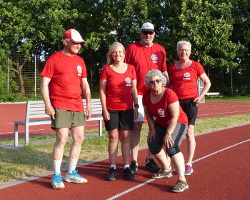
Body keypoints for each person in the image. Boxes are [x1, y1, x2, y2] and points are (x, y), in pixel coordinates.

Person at [40, 29, 92, 189]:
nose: (78, 45)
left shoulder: (80, 61)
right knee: (62, 138)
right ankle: (56, 175)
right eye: (75, 42)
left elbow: (84, 84)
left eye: (80, 43)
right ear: (66, 41)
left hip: (77, 104)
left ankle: (71, 173)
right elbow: (44, 84)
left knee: (79, 138)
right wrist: (48, 104)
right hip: (59, 104)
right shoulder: (54, 59)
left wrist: (88, 104)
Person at [125, 22, 169, 174]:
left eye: (150, 33)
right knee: (136, 127)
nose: (147, 35)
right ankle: (134, 161)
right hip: (138, 94)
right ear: (140, 34)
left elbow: (164, 73)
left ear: (154, 34)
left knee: (156, 127)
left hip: (157, 95)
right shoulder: (131, 48)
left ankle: (150, 159)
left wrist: (167, 91)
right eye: (145, 33)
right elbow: (127, 71)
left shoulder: (160, 50)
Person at [168, 41, 211, 175]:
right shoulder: (172, 66)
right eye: (181, 50)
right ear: (177, 52)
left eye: (186, 50)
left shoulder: (196, 65)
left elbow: (207, 82)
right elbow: (169, 84)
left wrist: (201, 96)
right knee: (173, 133)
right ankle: (170, 163)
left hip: (191, 103)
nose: (183, 52)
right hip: (176, 103)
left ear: (190, 52)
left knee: (189, 133)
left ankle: (189, 163)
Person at [143, 69, 189, 193]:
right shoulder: (146, 95)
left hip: (178, 121)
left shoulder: (169, 94)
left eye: (158, 81)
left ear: (162, 81)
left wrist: (168, 133)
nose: (155, 83)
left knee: (171, 146)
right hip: (161, 123)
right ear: (148, 83)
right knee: (153, 144)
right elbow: (147, 114)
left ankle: (182, 180)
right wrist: (151, 129)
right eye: (152, 82)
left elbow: (175, 116)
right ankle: (166, 170)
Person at [99, 42, 138, 181]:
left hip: (127, 108)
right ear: (111, 54)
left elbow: (134, 90)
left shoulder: (131, 69)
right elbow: (102, 91)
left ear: (124, 54)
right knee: (113, 137)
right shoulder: (107, 70)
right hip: (111, 109)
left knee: (126, 138)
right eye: (115, 52)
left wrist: (136, 106)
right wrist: (104, 109)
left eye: (120, 52)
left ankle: (126, 167)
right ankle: (113, 167)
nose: (118, 54)